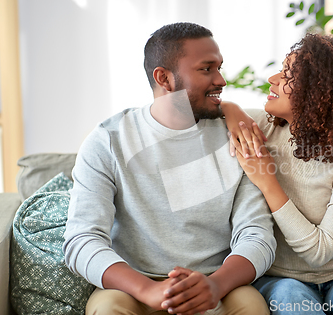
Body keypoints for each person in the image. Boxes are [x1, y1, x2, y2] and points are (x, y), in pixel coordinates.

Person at [63, 22, 276, 315]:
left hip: (217, 283)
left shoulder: (237, 136)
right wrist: (147, 289)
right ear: (164, 78)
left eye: (219, 68)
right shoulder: (108, 140)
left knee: (251, 306)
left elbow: (257, 236)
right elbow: (81, 240)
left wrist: (215, 285)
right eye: (206, 69)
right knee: (108, 308)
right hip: (135, 288)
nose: (221, 80)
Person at [222, 33, 333, 315]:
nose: (273, 78)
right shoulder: (261, 129)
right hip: (282, 279)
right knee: (288, 296)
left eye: (288, 74)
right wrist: (230, 108)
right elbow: (199, 107)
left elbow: (322, 250)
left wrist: (267, 181)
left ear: (321, 91)